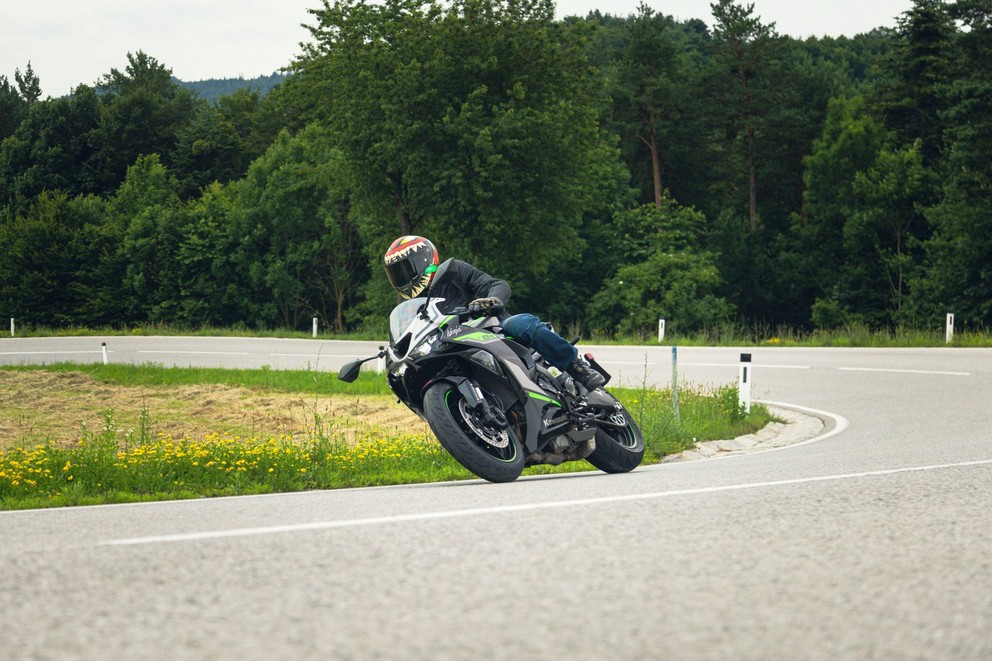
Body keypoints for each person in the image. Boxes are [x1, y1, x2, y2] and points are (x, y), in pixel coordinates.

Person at [383, 235, 606, 391]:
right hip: (454, 348)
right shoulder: (414, 309)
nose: (403, 277)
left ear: (424, 259)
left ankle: (576, 367)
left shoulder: (454, 271)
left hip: (494, 330)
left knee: (521, 324)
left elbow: (496, 284)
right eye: (397, 273)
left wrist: (493, 300)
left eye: (406, 269)